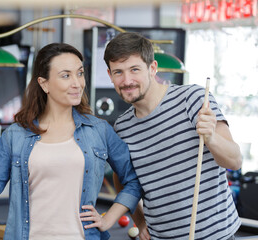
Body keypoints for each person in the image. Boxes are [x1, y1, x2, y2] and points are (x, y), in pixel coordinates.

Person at [0, 43, 142, 240]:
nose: (77, 83)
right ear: (44, 83)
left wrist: (109, 220)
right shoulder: (15, 135)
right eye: (65, 75)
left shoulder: (99, 130)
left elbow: (132, 180)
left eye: (80, 73)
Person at [103, 32, 242, 240]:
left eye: (134, 69)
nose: (127, 80)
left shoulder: (193, 100)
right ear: (109, 75)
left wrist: (211, 137)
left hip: (218, 235)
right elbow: (122, 179)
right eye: (118, 72)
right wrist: (140, 221)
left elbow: (235, 160)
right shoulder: (122, 127)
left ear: (152, 68)